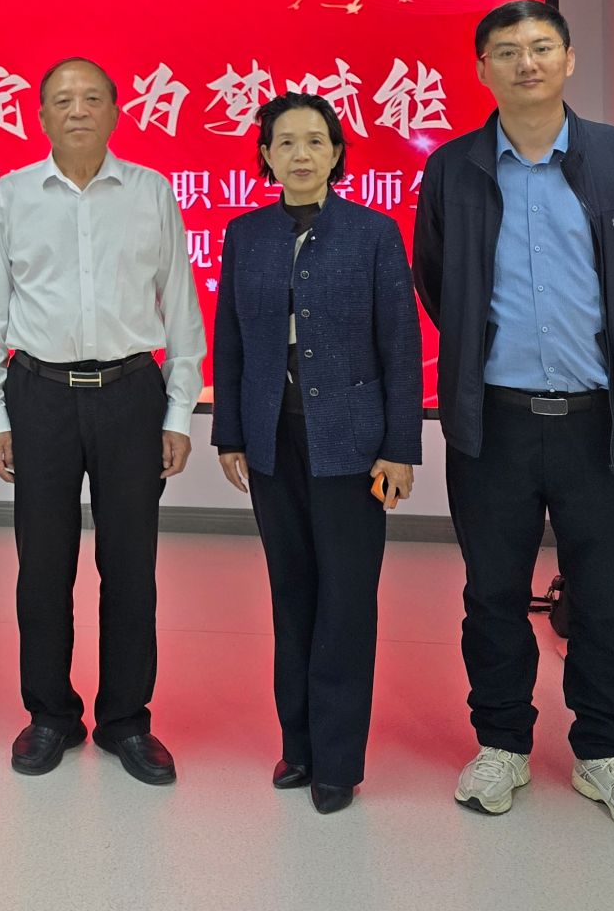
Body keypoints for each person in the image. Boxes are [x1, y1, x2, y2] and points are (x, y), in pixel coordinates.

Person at [414, 0, 614, 840]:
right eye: (507, 51)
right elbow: (438, 279)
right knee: (491, 593)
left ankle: (605, 752)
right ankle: (501, 743)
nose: (525, 62)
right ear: (483, 69)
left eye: (541, 47)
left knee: (602, 596)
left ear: (568, 59)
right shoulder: (454, 169)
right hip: (493, 423)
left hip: (598, 422)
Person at [0, 57, 206, 786]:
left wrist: (179, 411)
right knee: (43, 566)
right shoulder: (11, 195)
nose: (78, 110)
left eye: (92, 98)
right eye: (63, 100)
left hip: (132, 393)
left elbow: (181, 307)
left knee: (130, 565)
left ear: (115, 112)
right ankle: (50, 715)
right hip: (37, 394)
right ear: (40, 115)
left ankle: (127, 719)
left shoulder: (151, 191)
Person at [211, 92, 421, 814]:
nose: (300, 154)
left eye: (315, 141)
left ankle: (338, 760)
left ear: (336, 154)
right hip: (273, 442)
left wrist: (400, 447)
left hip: (355, 447)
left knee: (347, 601)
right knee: (292, 593)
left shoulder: (373, 233)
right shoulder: (246, 234)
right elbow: (231, 340)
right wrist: (231, 433)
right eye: (285, 142)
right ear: (265, 156)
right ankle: (297, 746)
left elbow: (401, 345)